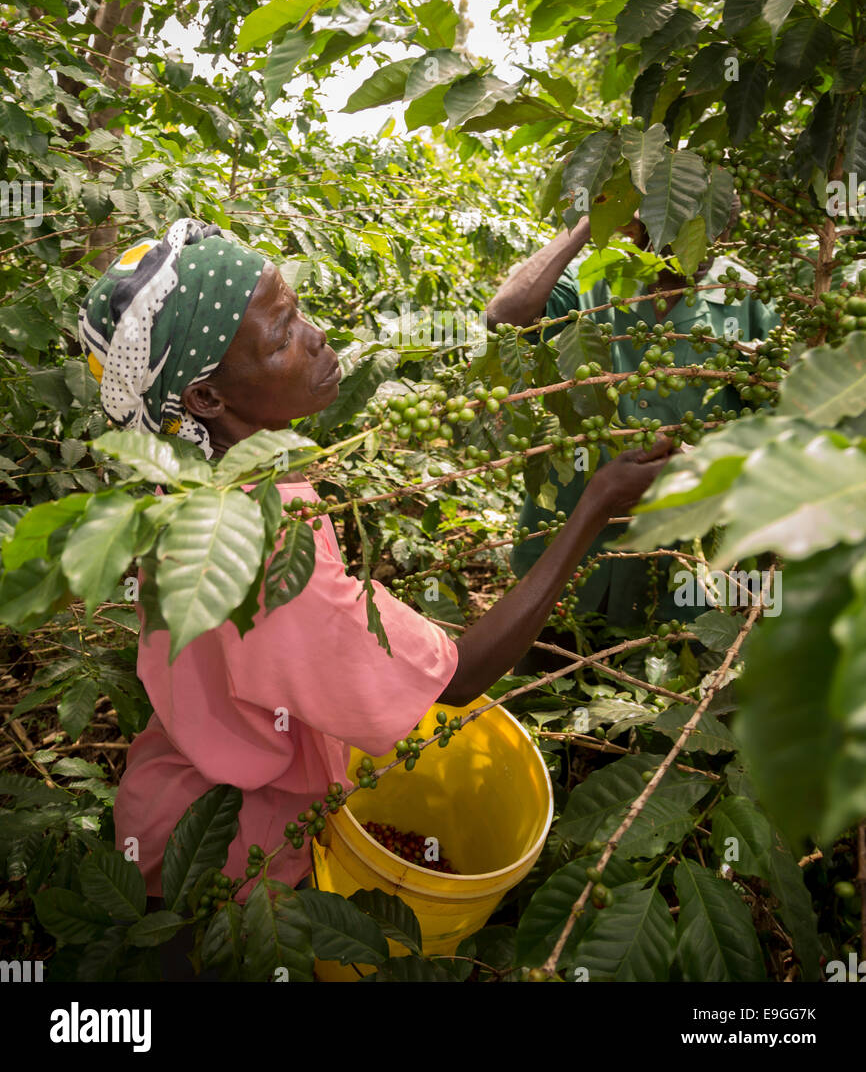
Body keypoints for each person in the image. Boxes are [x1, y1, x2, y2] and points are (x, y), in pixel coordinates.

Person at [78, 218, 672, 924]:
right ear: (206, 399)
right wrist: (595, 509)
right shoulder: (261, 540)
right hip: (218, 863)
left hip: (166, 801)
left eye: (297, 311)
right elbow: (455, 683)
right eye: (282, 335)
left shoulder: (188, 489)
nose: (317, 336)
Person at [485, 202, 778, 645]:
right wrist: (594, 217)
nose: (693, 250)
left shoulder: (745, 296)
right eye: (674, 230)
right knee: (541, 685)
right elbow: (503, 317)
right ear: (640, 226)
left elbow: (772, 423)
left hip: (682, 579)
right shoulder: (593, 278)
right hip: (566, 560)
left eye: (708, 232)